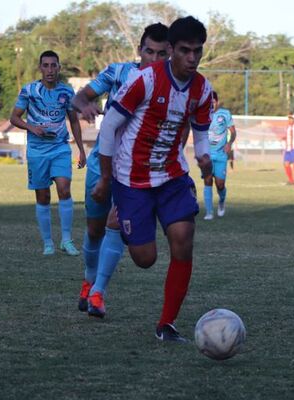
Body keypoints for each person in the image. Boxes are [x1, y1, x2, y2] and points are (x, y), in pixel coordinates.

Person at [93, 16, 213, 343]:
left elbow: (201, 134)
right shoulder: (145, 80)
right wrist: (105, 178)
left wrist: (203, 156)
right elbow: (108, 127)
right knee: (145, 259)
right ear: (171, 50)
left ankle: (167, 324)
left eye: (197, 51)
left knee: (184, 239)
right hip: (131, 178)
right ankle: (132, 226)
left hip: (173, 175)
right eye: (185, 50)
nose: (192, 58)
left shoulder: (202, 89)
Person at [71, 23, 170, 318]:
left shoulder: (170, 85)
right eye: (148, 51)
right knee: (94, 229)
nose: (153, 58)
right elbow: (79, 97)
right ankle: (89, 281)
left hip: (135, 167)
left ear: (169, 55)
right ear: (140, 49)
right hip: (103, 158)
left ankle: (99, 293)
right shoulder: (117, 72)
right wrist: (84, 106)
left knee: (116, 223)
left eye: (160, 54)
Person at [10, 50, 86, 256]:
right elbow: (14, 118)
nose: (50, 70)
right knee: (43, 196)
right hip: (36, 151)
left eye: (54, 65)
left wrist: (81, 148)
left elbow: (74, 121)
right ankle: (48, 243)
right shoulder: (29, 90)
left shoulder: (67, 92)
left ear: (59, 68)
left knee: (64, 188)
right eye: (46, 65)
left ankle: (67, 240)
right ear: (40, 68)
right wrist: (32, 128)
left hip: (60, 148)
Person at [203, 91, 236, 220]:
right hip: (206, 154)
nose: (212, 105)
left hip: (221, 154)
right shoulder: (202, 113)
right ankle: (209, 212)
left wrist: (229, 142)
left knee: (220, 184)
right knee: (207, 180)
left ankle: (221, 201)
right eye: (209, 102)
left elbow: (233, 132)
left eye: (214, 102)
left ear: (217, 101)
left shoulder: (225, 114)